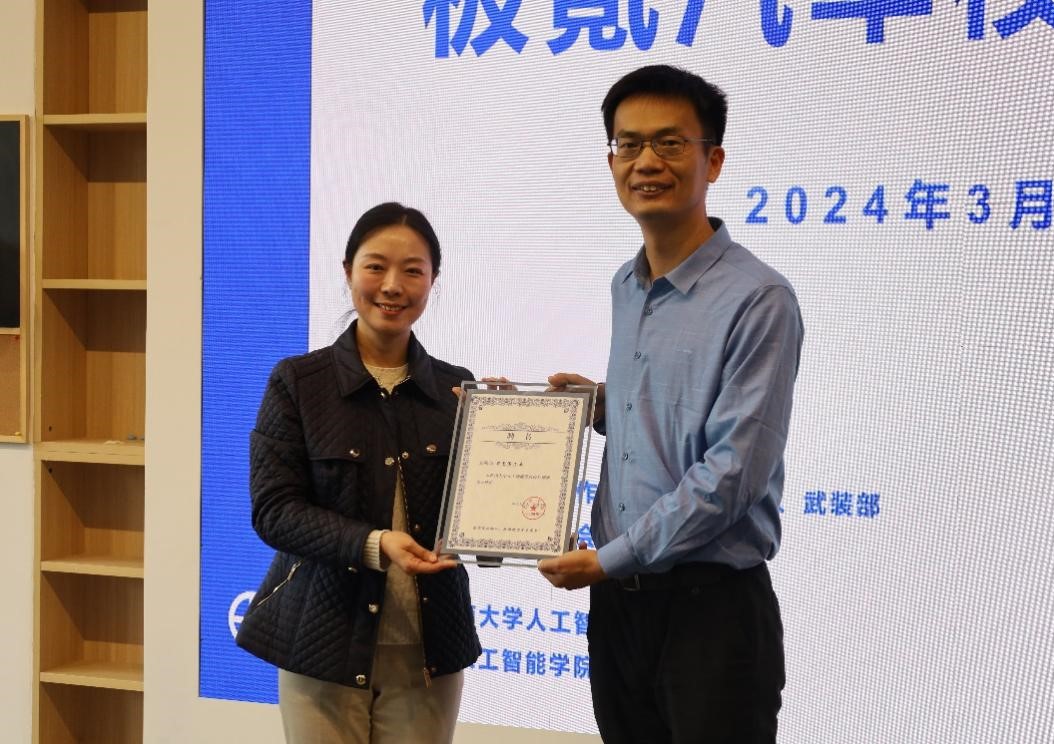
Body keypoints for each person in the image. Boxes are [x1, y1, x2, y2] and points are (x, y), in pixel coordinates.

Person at [538, 65, 804, 743]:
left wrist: (610, 558)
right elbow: (670, 415)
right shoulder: (626, 286)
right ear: (611, 160)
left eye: (669, 143)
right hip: (619, 611)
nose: (646, 162)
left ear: (712, 160)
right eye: (628, 145)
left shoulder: (759, 298)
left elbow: (731, 473)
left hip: (710, 612)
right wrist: (596, 408)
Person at [236, 202, 481, 743]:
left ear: (433, 282)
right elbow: (274, 511)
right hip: (323, 642)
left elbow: (479, 513)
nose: (392, 286)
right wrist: (375, 543)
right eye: (375, 266)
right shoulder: (299, 383)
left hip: (428, 649)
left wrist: (510, 427)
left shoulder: (457, 389)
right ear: (348, 271)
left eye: (412, 270)